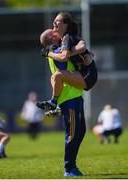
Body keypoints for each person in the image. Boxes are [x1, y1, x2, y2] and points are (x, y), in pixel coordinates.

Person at [37, 30, 86, 176]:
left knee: (80, 131)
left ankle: (72, 165)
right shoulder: (54, 50)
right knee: (71, 133)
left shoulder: (55, 49)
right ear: (52, 37)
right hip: (68, 97)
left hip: (75, 95)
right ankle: (68, 168)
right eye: (53, 31)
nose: (56, 31)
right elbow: (65, 56)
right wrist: (81, 47)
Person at [37, 12, 97, 111]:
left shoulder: (66, 38)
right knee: (54, 77)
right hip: (83, 72)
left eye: (57, 20)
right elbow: (79, 48)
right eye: (54, 21)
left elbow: (70, 53)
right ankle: (56, 105)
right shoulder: (62, 41)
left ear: (65, 25)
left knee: (57, 75)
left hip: (88, 74)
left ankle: (54, 103)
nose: (54, 23)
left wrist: (49, 54)